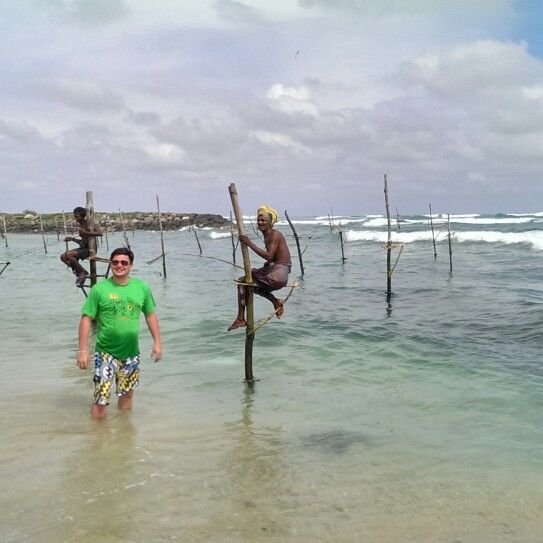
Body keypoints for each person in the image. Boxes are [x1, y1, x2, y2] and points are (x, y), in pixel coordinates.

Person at [76, 247, 162, 419]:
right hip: (106, 352)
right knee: (101, 398)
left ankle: (124, 437)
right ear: (110, 264)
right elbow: (86, 319)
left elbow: (150, 315)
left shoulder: (142, 287)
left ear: (131, 265)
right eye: (115, 262)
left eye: (124, 262)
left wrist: (157, 342)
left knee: (127, 395)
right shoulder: (99, 289)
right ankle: (98, 439)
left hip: (131, 353)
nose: (119, 265)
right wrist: (83, 350)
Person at [228, 205, 291, 331]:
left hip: (278, 275)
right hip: (279, 273)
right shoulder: (268, 235)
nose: (260, 222)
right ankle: (275, 301)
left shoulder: (274, 235)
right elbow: (273, 258)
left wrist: (249, 243)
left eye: (263, 220)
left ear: (270, 222)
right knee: (248, 286)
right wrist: (268, 265)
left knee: (243, 282)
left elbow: (269, 256)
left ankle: (241, 319)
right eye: (259, 220)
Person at [60, 206, 102, 286]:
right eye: (75, 216)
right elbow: (82, 242)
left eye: (77, 217)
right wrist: (72, 239)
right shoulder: (81, 225)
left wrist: (85, 232)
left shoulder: (88, 224)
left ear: (83, 216)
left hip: (90, 249)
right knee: (63, 257)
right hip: (83, 248)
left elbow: (100, 233)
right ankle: (79, 272)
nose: (75, 218)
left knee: (68, 254)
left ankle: (83, 272)